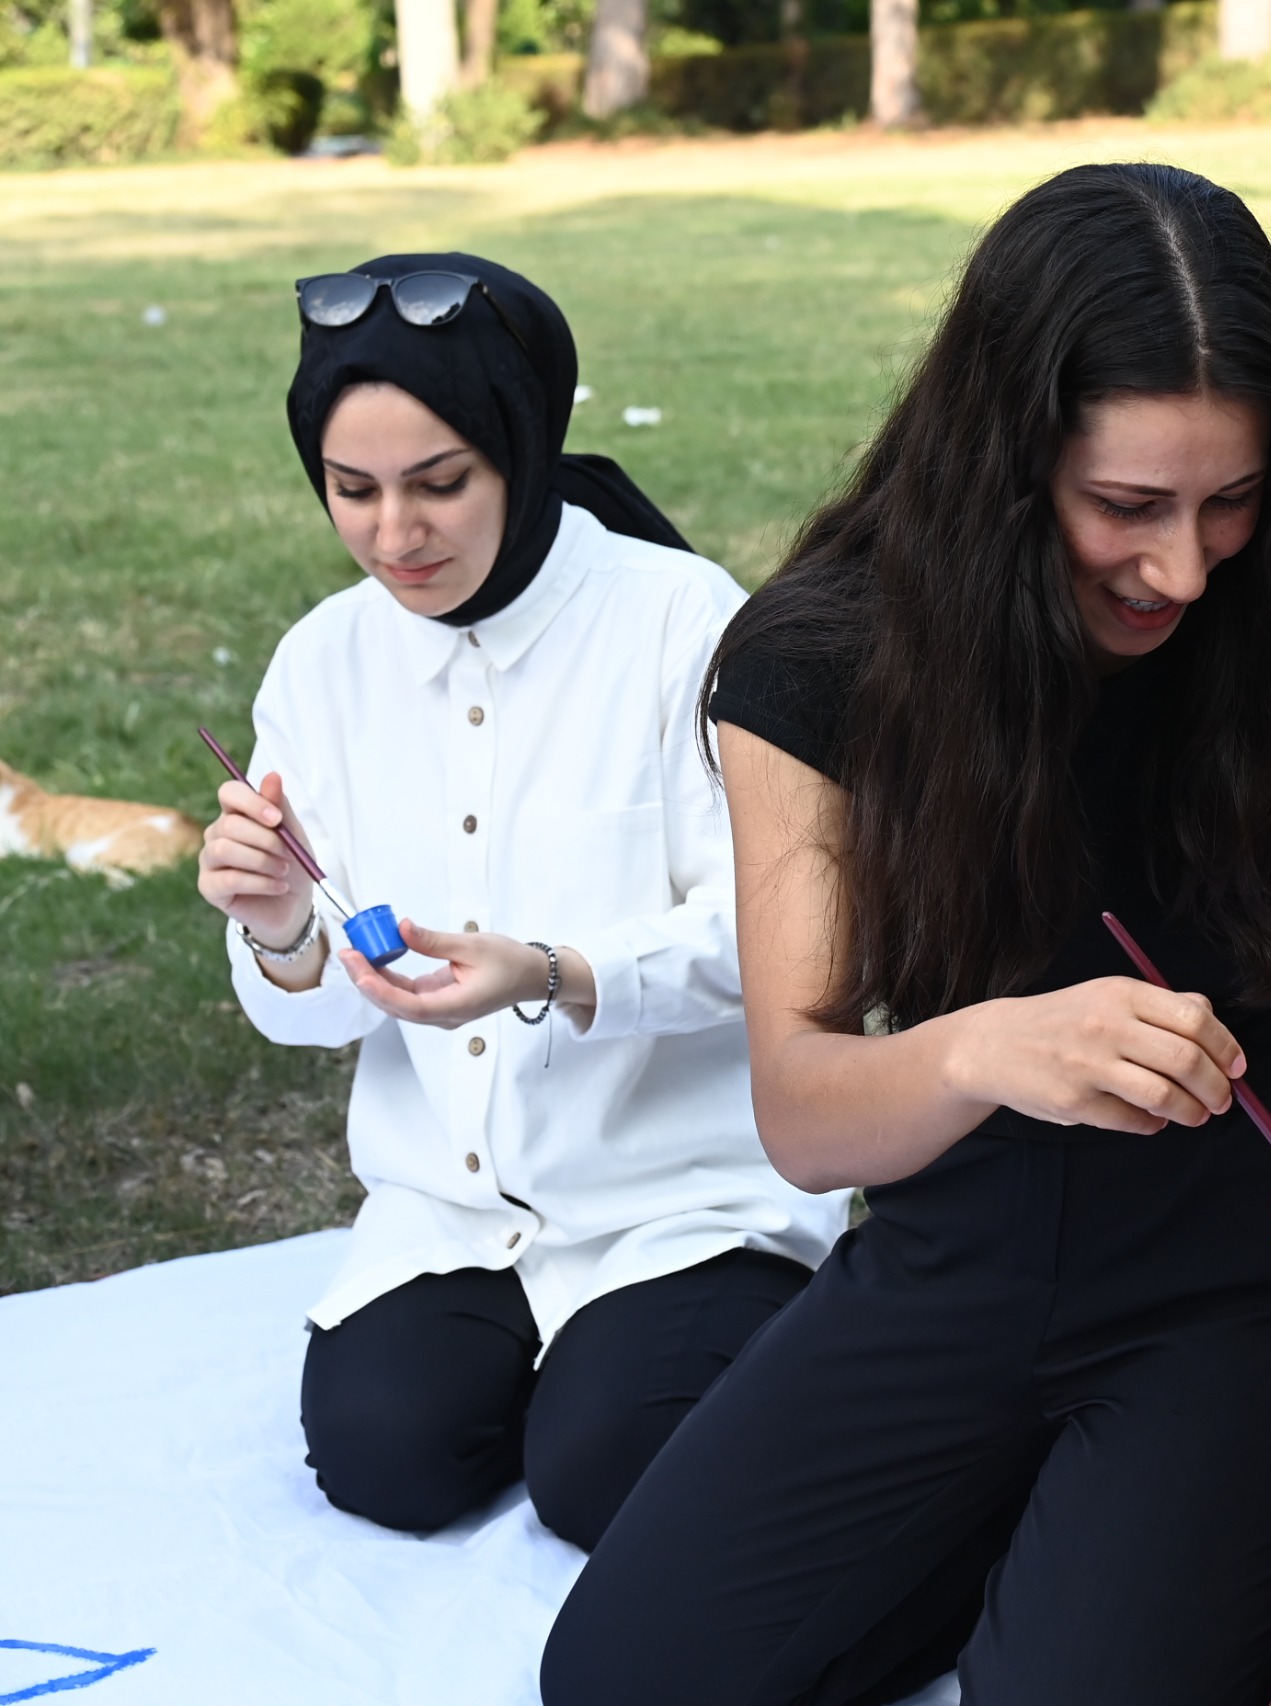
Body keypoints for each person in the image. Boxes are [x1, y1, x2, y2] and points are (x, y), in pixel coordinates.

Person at [538, 163, 1271, 1706]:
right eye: (1126, 506)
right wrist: (997, 1045)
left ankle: (1152, 1504)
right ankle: (1044, 1521)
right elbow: (804, 1110)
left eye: (1231, 500)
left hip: (1258, 1256)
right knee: (629, 1681)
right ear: (1007, 459)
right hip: (961, 1250)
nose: (1183, 567)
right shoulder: (822, 660)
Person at [195, 254, 843, 1551]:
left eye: (441, 483)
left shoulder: (679, 622)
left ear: (523, 447)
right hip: (454, 1210)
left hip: (679, 1201)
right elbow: (313, 1015)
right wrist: (276, 925)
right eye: (353, 491)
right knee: (389, 1456)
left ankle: (685, 1350)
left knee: (607, 1471)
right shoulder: (322, 663)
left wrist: (551, 968)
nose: (396, 534)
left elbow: (775, 942)